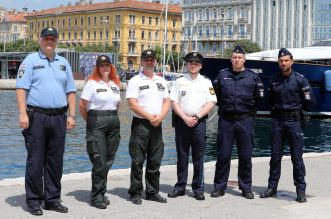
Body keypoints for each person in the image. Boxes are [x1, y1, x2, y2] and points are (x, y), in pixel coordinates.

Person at [16, 27, 76, 215]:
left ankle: (52, 199)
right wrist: (22, 114)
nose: (50, 41)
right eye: (46, 38)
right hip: (36, 117)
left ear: (57, 41)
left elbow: (71, 91)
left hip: (59, 117)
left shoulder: (64, 63)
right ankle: (34, 200)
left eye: (53, 38)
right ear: (40, 40)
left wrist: (72, 115)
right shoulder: (30, 61)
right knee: (35, 160)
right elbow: (21, 88)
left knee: (55, 161)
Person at [260, 48, 314, 203]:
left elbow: (310, 101)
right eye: (281, 61)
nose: (283, 63)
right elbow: (269, 100)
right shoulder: (274, 80)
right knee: (275, 157)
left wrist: (300, 112)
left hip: (294, 122)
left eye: (286, 60)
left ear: (292, 61)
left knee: (297, 159)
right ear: (278, 62)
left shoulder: (300, 79)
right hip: (278, 121)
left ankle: (300, 191)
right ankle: (272, 188)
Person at [211, 46, 264, 199]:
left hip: (245, 120)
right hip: (226, 120)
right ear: (231, 59)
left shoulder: (253, 77)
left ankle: (246, 187)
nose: (237, 60)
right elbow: (215, 96)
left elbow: (259, 98)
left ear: (244, 59)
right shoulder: (222, 75)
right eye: (234, 57)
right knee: (223, 155)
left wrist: (249, 110)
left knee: (246, 156)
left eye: (240, 57)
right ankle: (219, 187)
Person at [168, 52, 216, 200]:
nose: (193, 65)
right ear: (187, 65)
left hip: (199, 123)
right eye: (190, 63)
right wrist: (184, 117)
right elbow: (174, 102)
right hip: (182, 122)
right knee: (182, 156)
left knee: (198, 157)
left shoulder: (206, 82)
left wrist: (196, 117)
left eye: (196, 63)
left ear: (200, 66)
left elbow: (211, 102)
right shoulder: (179, 81)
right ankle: (180, 186)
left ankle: (198, 188)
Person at [126, 49, 170, 205]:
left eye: (152, 59)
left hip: (157, 124)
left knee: (155, 160)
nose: (149, 62)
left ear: (155, 62)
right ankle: (135, 192)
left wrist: (161, 117)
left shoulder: (161, 81)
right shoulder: (135, 81)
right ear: (142, 62)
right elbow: (132, 104)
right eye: (146, 59)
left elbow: (166, 102)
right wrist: (150, 117)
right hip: (141, 125)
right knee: (137, 160)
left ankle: (152, 192)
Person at [79, 55, 121, 209]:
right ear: (97, 67)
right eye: (102, 65)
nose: (105, 67)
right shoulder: (92, 83)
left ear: (111, 66)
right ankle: (96, 196)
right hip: (97, 123)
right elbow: (82, 107)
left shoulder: (115, 84)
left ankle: (101, 192)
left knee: (109, 159)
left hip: (113, 122)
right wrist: (92, 124)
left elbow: (116, 105)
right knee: (99, 160)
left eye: (107, 64)